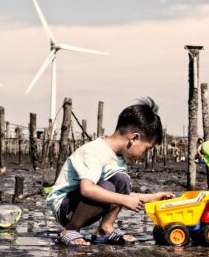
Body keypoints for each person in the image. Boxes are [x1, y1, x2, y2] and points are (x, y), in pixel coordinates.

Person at [47, 98, 173, 246]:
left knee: (122, 180)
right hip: (65, 207)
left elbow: (119, 194)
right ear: (134, 138)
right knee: (107, 187)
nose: (145, 154)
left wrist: (151, 198)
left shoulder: (118, 158)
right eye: (147, 148)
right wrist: (125, 200)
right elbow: (87, 189)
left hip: (82, 203)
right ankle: (70, 230)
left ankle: (105, 228)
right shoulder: (95, 151)